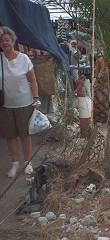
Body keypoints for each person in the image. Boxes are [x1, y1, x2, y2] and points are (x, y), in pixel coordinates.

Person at [0, 26, 40, 177]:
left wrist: (36, 99)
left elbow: (33, 80)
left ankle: (28, 162)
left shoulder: (24, 58)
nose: (5, 43)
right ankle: (14, 164)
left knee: (25, 134)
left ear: (13, 41)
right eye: (2, 41)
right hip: (5, 105)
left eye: (7, 40)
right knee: (10, 136)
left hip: (24, 102)